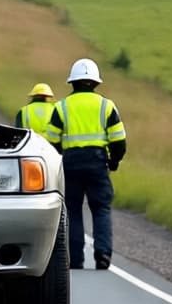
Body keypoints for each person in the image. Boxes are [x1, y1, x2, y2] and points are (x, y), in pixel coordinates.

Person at [45, 58, 126, 270]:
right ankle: (103, 254)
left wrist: (60, 162)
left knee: (72, 209)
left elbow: (51, 142)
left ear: (73, 82)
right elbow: (119, 141)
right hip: (98, 163)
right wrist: (114, 161)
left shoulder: (61, 107)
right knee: (101, 208)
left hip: (70, 163)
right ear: (96, 83)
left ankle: (76, 258)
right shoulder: (106, 106)